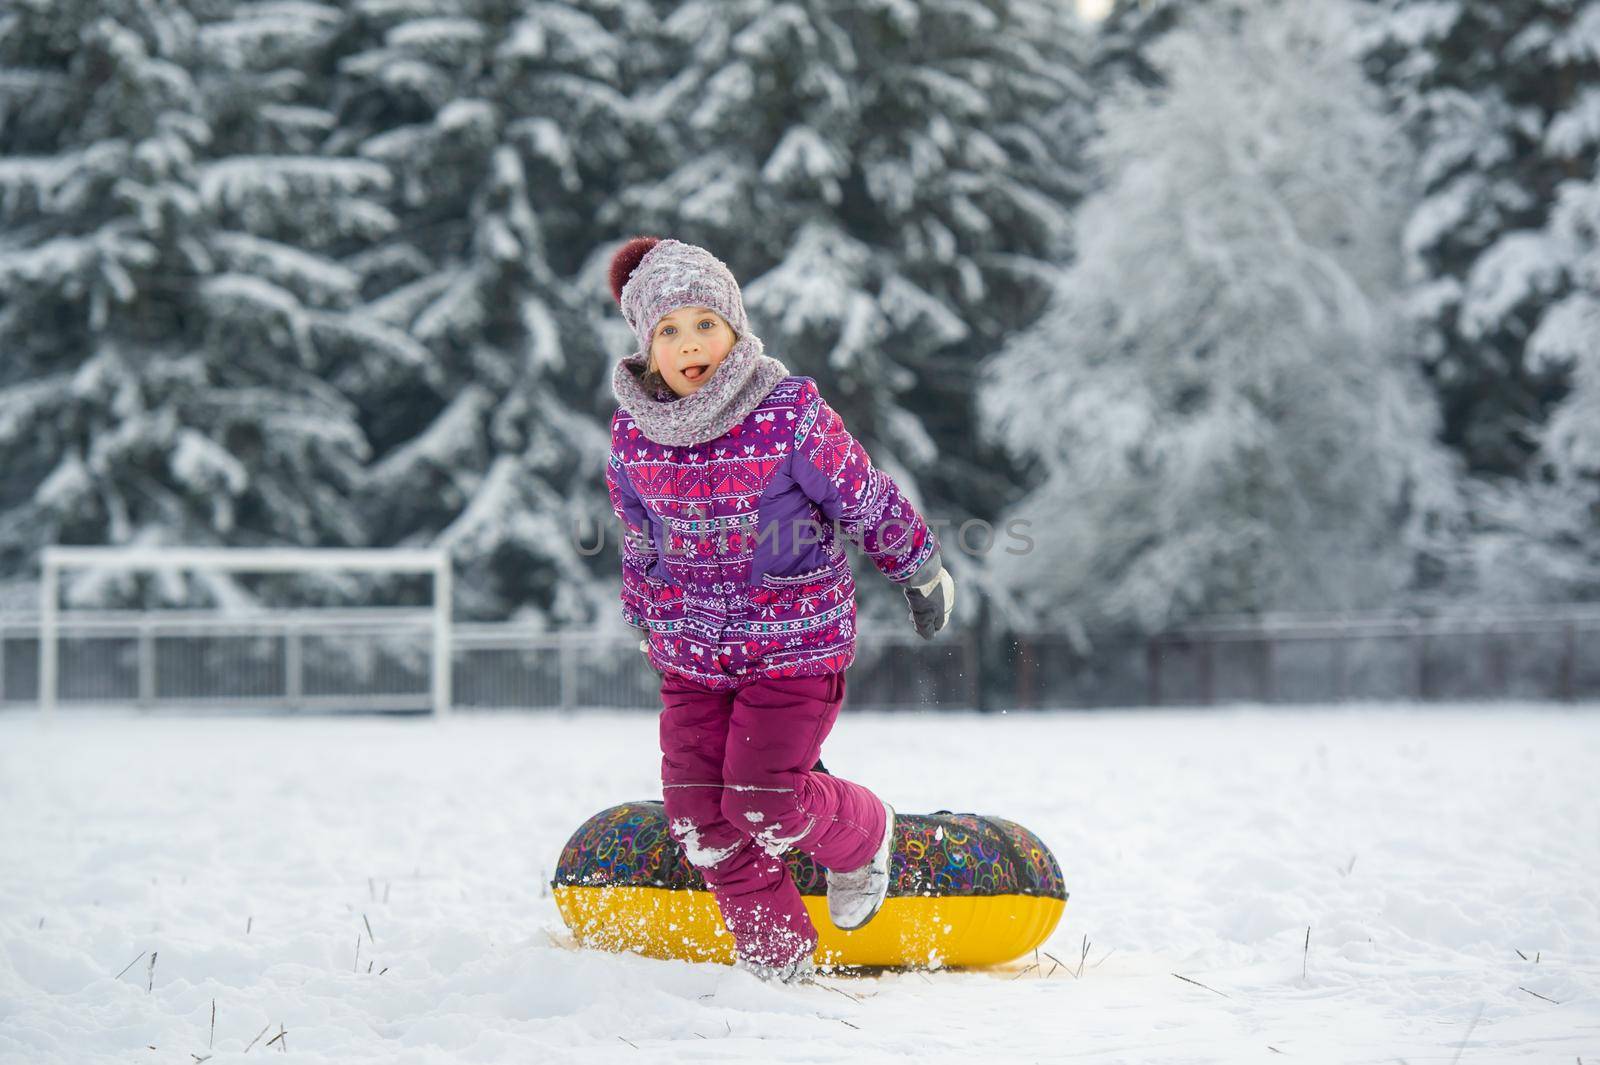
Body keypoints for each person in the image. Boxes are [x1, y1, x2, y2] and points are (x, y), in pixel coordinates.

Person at [603, 236, 957, 983]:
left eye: (704, 323)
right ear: (646, 347)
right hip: (693, 657)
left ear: (734, 326)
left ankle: (866, 837)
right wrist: (647, 615)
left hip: (794, 646)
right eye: (668, 330)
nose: (689, 343)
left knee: (764, 798)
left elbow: (861, 492)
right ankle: (780, 968)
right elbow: (640, 536)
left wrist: (917, 565)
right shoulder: (634, 432)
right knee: (702, 815)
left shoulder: (787, 410)